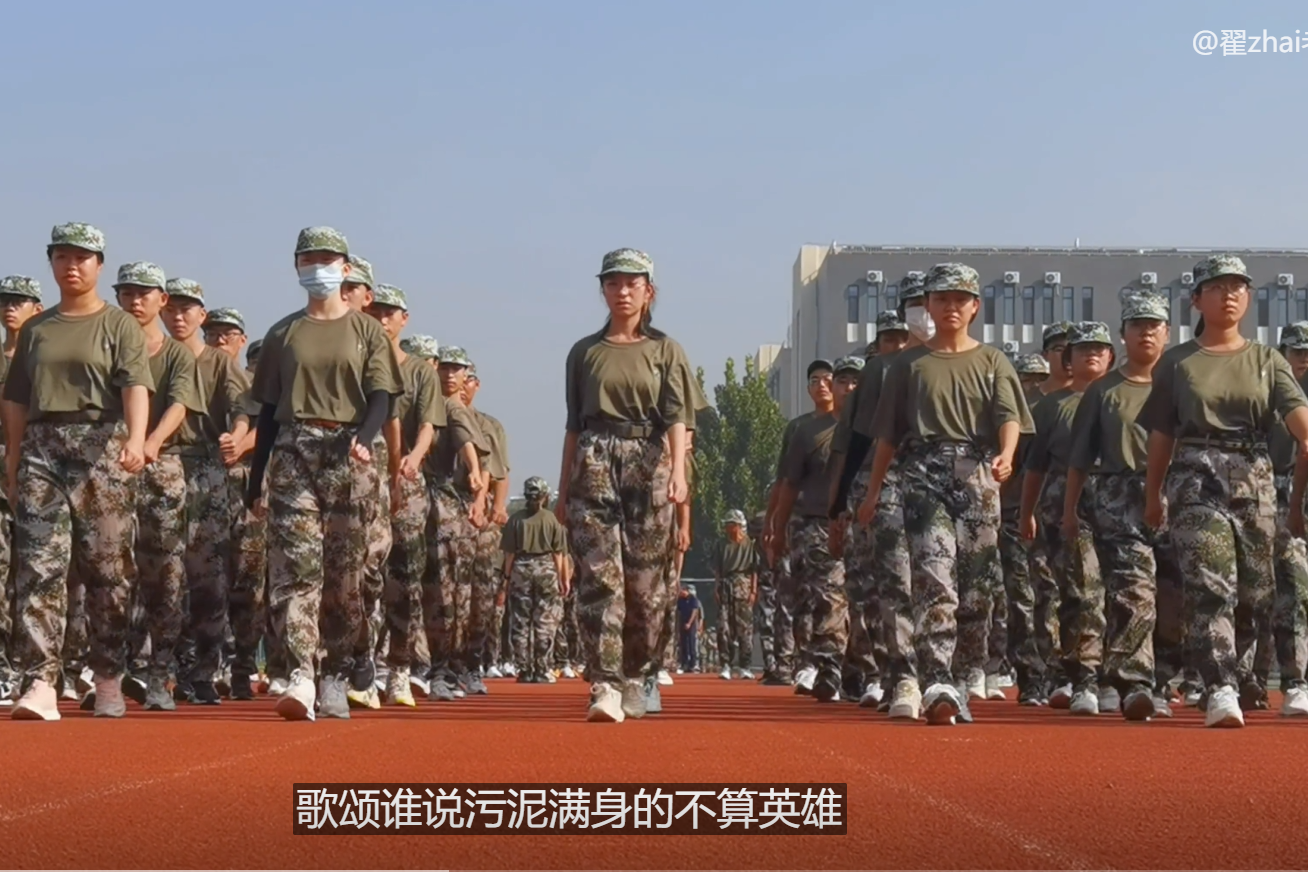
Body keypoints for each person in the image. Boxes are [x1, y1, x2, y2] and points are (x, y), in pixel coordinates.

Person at [858, 263, 1032, 726]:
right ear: (929, 306)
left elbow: (1009, 416)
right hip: (923, 471)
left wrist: (1007, 454)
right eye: (941, 299)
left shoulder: (992, 361)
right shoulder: (906, 366)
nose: (951, 307)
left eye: (960, 299)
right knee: (934, 576)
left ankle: (965, 672)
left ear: (975, 306)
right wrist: (873, 492)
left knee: (978, 587)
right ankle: (935, 678)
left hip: (978, 474)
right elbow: (888, 436)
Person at [1143, 254, 1308, 728]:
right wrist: (1154, 495)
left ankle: (1241, 673)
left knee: (1256, 593)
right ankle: (1220, 686)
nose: (1229, 295)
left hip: (1253, 477)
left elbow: (1296, 414)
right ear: (1197, 300)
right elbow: (1162, 434)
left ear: (1248, 298)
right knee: (1209, 582)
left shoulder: (1267, 360)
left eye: (1237, 287)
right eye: (1217, 287)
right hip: (1195, 474)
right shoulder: (1177, 363)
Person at [247, 226, 403, 722]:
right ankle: (301, 672)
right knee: (296, 570)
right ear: (296, 267)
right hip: (294, 453)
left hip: (349, 454)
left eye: (328, 259)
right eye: (309, 259)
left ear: (345, 268)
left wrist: (366, 436)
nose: (318, 268)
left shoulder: (367, 332)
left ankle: (338, 668)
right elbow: (267, 412)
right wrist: (256, 479)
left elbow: (381, 396)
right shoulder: (282, 334)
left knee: (346, 577)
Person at [6, 223, 154, 721]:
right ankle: (41, 680)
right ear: (51, 262)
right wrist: (13, 461)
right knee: (39, 567)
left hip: (101, 445)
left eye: (82, 257)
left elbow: (135, 386)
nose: (71, 266)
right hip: (42, 449)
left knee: (107, 569)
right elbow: (16, 399)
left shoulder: (119, 325)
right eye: (62, 257)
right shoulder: (36, 330)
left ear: (98, 265)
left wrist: (136, 438)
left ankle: (107, 674)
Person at [558, 248, 694, 724]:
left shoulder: (666, 350)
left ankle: (638, 674)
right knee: (599, 576)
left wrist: (678, 472)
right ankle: (605, 682)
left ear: (648, 291)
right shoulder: (585, 352)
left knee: (647, 583)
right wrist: (562, 490)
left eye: (632, 283)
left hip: (649, 460)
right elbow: (573, 425)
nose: (622, 291)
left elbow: (677, 417)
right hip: (594, 458)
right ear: (602, 290)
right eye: (613, 283)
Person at [1063, 294, 1182, 721]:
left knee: (1174, 597)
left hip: (1177, 495)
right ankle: (1134, 682)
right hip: (1120, 496)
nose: (1146, 332)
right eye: (1137, 325)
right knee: (1134, 591)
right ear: (1123, 336)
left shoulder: (1181, 384)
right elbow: (1080, 457)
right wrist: (1070, 510)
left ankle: (1162, 678)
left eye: (1154, 325)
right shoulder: (1103, 391)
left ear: (1167, 333)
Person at [838, 280, 931, 715]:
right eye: (915, 304)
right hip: (888, 479)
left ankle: (944, 673)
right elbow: (861, 439)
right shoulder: (881, 369)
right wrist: (847, 497)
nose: (923, 312)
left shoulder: (968, 359)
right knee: (892, 580)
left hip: (946, 484)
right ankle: (898, 675)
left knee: (941, 581)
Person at [114, 265, 204, 712]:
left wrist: (150, 442)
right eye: (127, 293)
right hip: (111, 464)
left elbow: (180, 404)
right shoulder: (108, 343)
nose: (135, 301)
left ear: (161, 301)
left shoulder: (175, 355)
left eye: (144, 294)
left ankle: (160, 673)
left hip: (162, 465)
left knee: (164, 572)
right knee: (109, 569)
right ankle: (110, 670)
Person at [162, 279, 251, 706]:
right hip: (159, 464)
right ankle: (163, 666)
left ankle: (203, 670)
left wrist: (237, 435)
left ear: (202, 315)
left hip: (205, 467)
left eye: (188, 309)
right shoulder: (153, 353)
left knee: (207, 575)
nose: (178, 317)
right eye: (172, 308)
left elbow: (241, 407)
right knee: (161, 572)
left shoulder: (218, 362)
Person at [365, 289, 441, 706]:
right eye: (375, 311)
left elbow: (428, 424)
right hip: (363, 476)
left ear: (403, 319)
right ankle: (362, 665)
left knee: (404, 579)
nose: (381, 319)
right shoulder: (358, 358)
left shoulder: (419, 372)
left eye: (389, 313)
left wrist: (414, 457)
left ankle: (398, 668)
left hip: (405, 482)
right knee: (360, 575)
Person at [770, 359, 846, 703]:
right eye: (815, 380)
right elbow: (786, 481)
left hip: (852, 522)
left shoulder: (860, 426)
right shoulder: (801, 430)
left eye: (828, 379)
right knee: (811, 596)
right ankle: (814, 663)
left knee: (840, 597)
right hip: (810, 523)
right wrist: (776, 526)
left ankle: (843, 668)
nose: (822, 386)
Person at [336, 255, 394, 710]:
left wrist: (392, 466)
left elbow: (389, 412)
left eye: (351, 286)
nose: (342, 292)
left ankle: (363, 653)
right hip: (314, 459)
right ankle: (324, 666)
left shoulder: (374, 342)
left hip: (367, 462)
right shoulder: (305, 332)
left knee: (366, 571)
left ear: (366, 295)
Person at [0, 274, 43, 702]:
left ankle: (43, 664)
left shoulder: (41, 357)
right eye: (4, 301)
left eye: (19, 301)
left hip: (39, 462)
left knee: (35, 567)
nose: (10, 308)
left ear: (36, 308)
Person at [1004, 352, 1053, 705]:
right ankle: (1031, 676)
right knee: (1020, 598)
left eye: (1039, 378)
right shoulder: (1006, 418)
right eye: (1026, 378)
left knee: (1054, 595)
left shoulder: (1056, 410)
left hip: (1053, 512)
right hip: (1012, 513)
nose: (1033, 385)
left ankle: (1061, 672)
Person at [1267, 322, 1308, 717]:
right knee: (1286, 586)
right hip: (1274, 491)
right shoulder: (1268, 391)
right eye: (1298, 352)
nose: (1305, 359)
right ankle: (1292, 680)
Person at [462, 363, 511, 689]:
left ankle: (471, 663)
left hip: (481, 520)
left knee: (480, 596)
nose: (460, 384)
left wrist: (497, 507)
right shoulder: (434, 416)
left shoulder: (489, 426)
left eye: (467, 378)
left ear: (476, 384)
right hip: (443, 507)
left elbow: (501, 473)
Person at [502, 476, 569, 683]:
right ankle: (542, 669)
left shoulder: (515, 520)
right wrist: (563, 579)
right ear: (544, 496)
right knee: (545, 622)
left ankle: (524, 670)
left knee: (520, 621)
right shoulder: (552, 520)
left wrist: (506, 578)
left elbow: (509, 554)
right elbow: (559, 554)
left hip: (521, 570)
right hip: (546, 570)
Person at [712, 510, 760, 680]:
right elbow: (717, 569)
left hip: (743, 586)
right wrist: (717, 587)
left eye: (730, 524)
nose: (727, 527)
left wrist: (753, 590)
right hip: (726, 585)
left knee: (745, 628)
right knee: (723, 627)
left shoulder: (750, 545)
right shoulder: (721, 544)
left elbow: (754, 570)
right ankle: (726, 664)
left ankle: (745, 665)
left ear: (738, 526)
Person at [677, 583, 702, 673]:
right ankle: (684, 664)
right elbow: (679, 612)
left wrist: (689, 623)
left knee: (692, 644)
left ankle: (693, 664)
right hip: (682, 624)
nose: (681, 592)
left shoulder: (693, 599)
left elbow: (694, 612)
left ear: (686, 591)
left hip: (691, 625)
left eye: (682, 591)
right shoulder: (680, 600)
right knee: (683, 644)